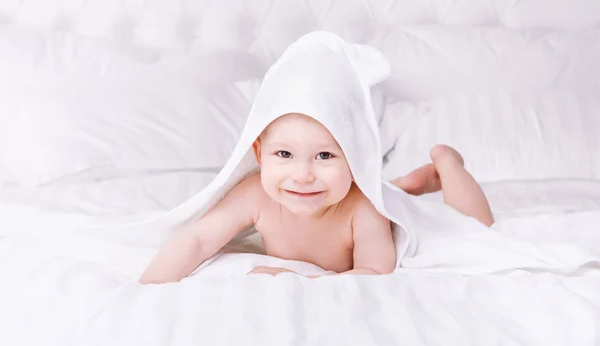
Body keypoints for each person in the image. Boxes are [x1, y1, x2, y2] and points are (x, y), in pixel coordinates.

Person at [138, 113, 493, 284]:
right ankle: (406, 184)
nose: (303, 175)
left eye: (325, 156)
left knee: (476, 229)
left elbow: (374, 270)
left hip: (372, 197)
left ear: (355, 161)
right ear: (259, 154)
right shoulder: (255, 193)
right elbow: (198, 239)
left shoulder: (364, 208)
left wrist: (298, 278)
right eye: (284, 155)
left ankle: (447, 164)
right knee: (390, 191)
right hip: (355, 186)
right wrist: (147, 287)